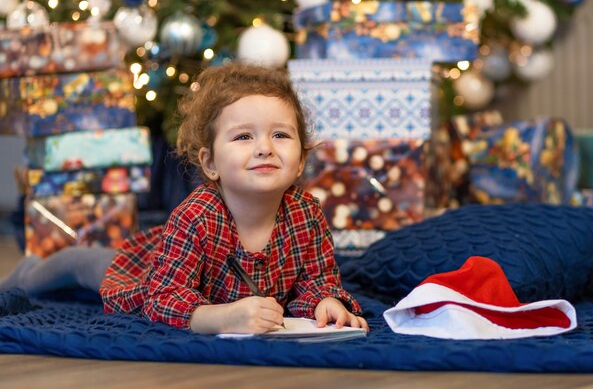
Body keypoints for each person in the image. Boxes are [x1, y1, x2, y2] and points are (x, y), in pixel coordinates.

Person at [0, 62, 369, 335]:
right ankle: (29, 269)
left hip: (189, 270)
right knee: (77, 265)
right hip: (149, 270)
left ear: (302, 158)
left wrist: (325, 304)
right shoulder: (196, 216)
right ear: (210, 163)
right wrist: (220, 317)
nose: (264, 149)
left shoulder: (307, 215)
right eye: (243, 137)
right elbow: (161, 299)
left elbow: (315, 280)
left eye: (281, 136)